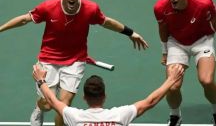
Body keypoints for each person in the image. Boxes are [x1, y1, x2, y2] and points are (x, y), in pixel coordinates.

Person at [0, 0, 149, 126]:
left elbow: (107, 22)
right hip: (48, 58)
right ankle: (39, 108)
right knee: (47, 104)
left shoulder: (91, 8)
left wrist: (130, 33)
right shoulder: (48, 7)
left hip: (75, 60)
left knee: (63, 106)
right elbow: (24, 20)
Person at [32, 64, 183, 126]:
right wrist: (171, 80)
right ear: (104, 96)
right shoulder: (119, 115)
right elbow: (150, 101)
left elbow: (52, 100)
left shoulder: (74, 117)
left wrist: (41, 80)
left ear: (84, 98)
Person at [153, 0, 216, 125]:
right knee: (172, 85)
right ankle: (175, 116)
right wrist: (165, 52)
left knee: (206, 80)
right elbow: (163, 29)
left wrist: (212, 31)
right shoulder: (160, 7)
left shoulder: (203, 3)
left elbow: (214, 18)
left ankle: (215, 111)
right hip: (176, 43)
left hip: (202, 41)